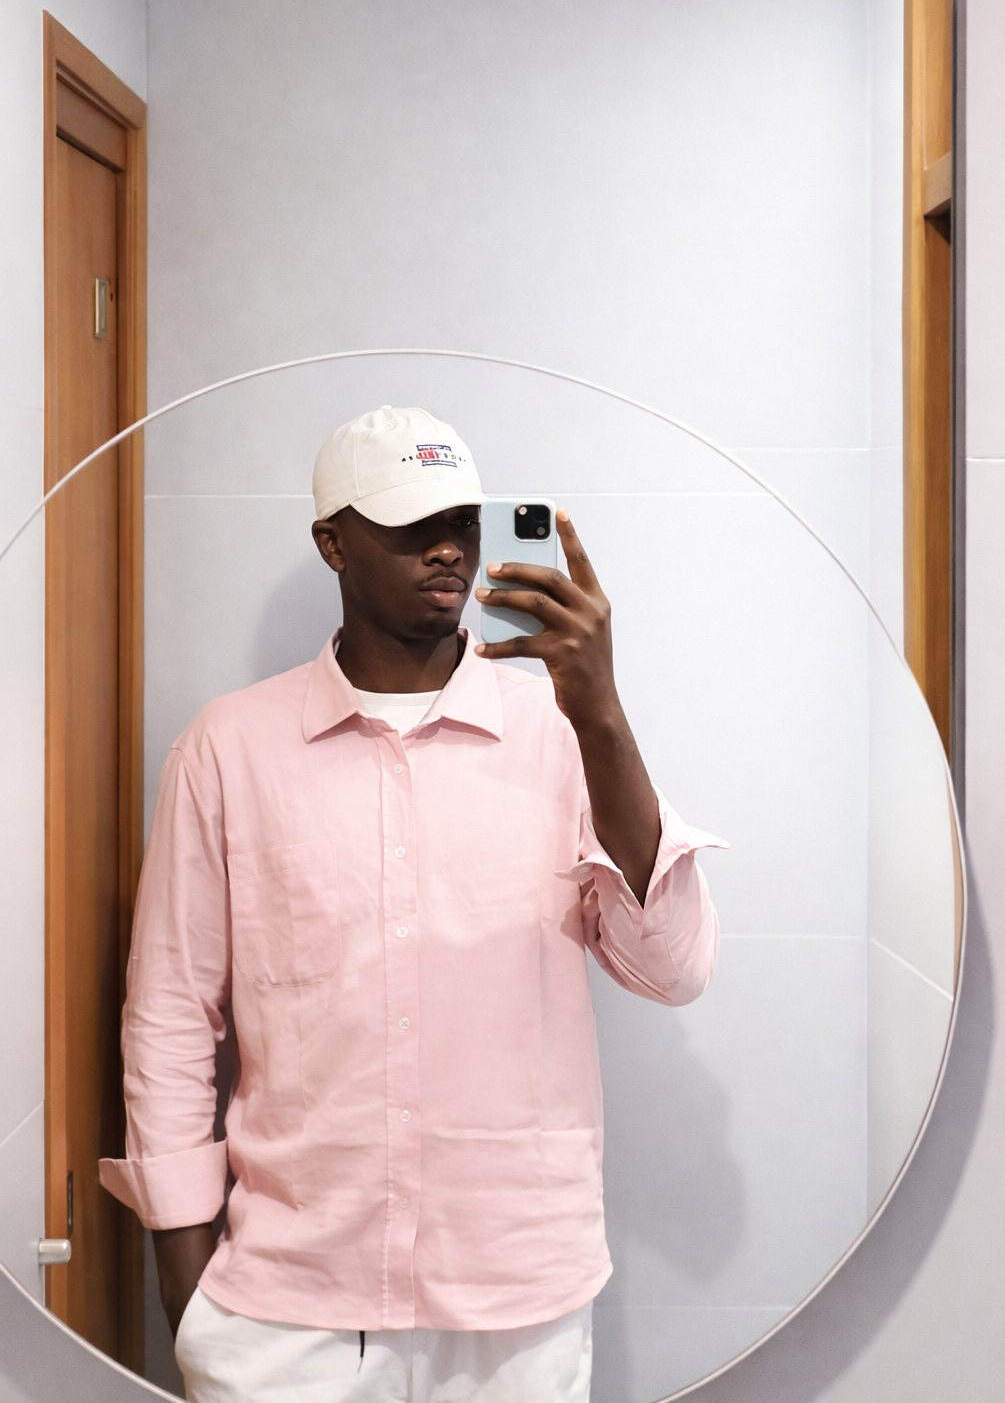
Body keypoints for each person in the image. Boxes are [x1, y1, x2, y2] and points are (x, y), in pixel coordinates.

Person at [100, 404, 724, 1403]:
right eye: (409, 523)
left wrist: (601, 711)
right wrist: (187, 1292)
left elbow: (673, 971)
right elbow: (171, 1014)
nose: (448, 549)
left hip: (517, 1305)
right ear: (333, 542)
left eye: (464, 522)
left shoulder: (563, 732)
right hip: (286, 1306)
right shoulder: (229, 748)